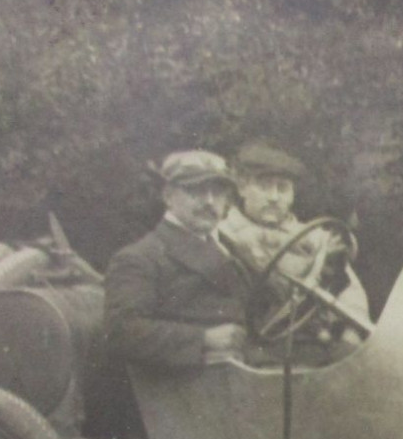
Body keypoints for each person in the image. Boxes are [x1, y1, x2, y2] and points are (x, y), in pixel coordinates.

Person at [217, 141, 370, 356]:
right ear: (242, 188)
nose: (274, 197)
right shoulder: (222, 235)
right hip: (258, 351)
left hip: (319, 348)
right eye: (264, 186)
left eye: (282, 188)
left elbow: (350, 290)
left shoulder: (315, 237)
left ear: (292, 194)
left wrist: (350, 335)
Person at [104, 149, 252, 371]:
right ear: (169, 196)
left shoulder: (231, 249)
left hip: (243, 371)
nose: (209, 201)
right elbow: (122, 332)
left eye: (218, 191)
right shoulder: (140, 258)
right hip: (185, 384)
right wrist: (204, 338)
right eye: (196, 190)